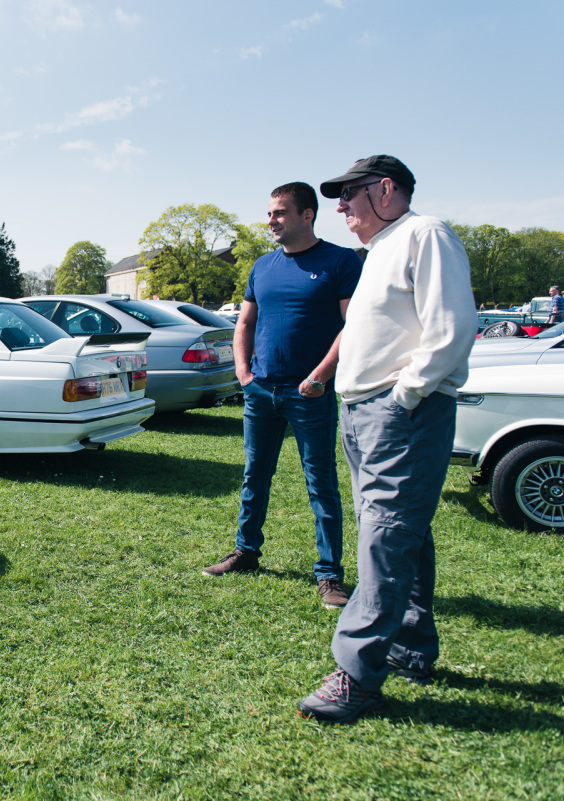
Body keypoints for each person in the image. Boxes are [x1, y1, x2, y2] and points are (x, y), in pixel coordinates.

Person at [297, 156, 477, 724]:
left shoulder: (426, 234)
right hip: (366, 412)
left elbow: (450, 328)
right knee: (402, 532)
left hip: (400, 413)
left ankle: (357, 675)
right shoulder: (377, 252)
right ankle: (408, 648)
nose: (341, 207)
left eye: (349, 194)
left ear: (386, 188)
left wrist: (405, 396)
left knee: (385, 535)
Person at [203, 182, 362, 612]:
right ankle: (246, 551)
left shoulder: (341, 261)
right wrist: (243, 373)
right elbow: (244, 323)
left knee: (321, 483)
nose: (270, 221)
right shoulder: (263, 266)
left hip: (310, 393)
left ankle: (329, 575)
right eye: (270, 213)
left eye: (279, 213)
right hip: (262, 391)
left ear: (307, 215)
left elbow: (354, 326)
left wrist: (319, 377)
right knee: (255, 474)